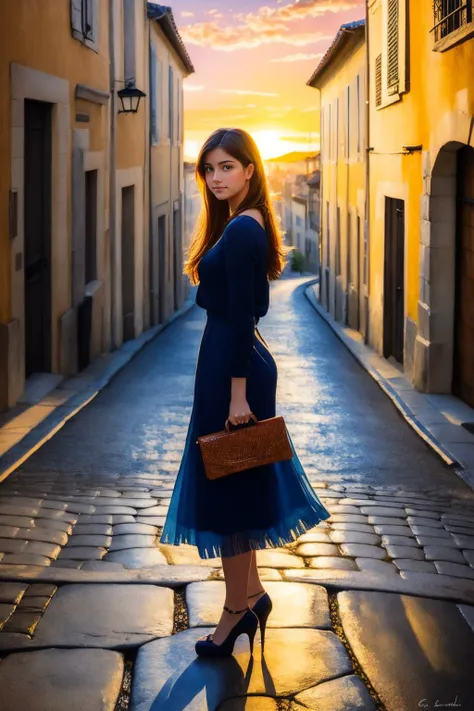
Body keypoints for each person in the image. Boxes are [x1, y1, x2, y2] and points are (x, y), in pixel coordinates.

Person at [159, 128, 331, 658]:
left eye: (227, 167)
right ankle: (251, 594)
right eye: (208, 169)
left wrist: (237, 397)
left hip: (234, 367)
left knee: (228, 489)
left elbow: (240, 315)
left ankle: (234, 613)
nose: (215, 178)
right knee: (234, 477)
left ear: (250, 170)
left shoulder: (241, 232)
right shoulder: (241, 225)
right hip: (233, 360)